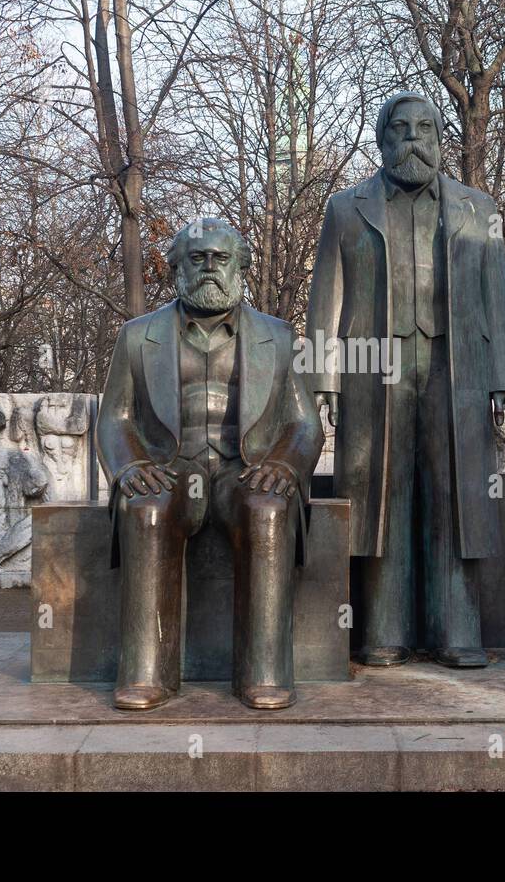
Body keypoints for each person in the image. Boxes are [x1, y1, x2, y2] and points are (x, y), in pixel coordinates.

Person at [306, 92, 505, 669]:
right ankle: (384, 631)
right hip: (371, 367)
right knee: (382, 492)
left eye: (423, 129)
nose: (412, 139)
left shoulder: (479, 209)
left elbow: (498, 299)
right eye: (399, 129)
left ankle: (457, 630)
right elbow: (327, 293)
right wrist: (324, 378)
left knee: (456, 494)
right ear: (382, 141)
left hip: (459, 367)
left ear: (439, 139)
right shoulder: (346, 208)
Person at [95, 218, 323, 712]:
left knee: (267, 507)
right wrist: (130, 466)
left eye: (221, 258)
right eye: (197, 258)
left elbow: (304, 424)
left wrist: (285, 466)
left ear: (240, 266)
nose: (210, 268)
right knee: (147, 507)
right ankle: (146, 673)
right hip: (171, 467)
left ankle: (264, 672)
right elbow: (114, 418)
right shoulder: (137, 335)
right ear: (176, 267)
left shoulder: (278, 336)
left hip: (245, 468)